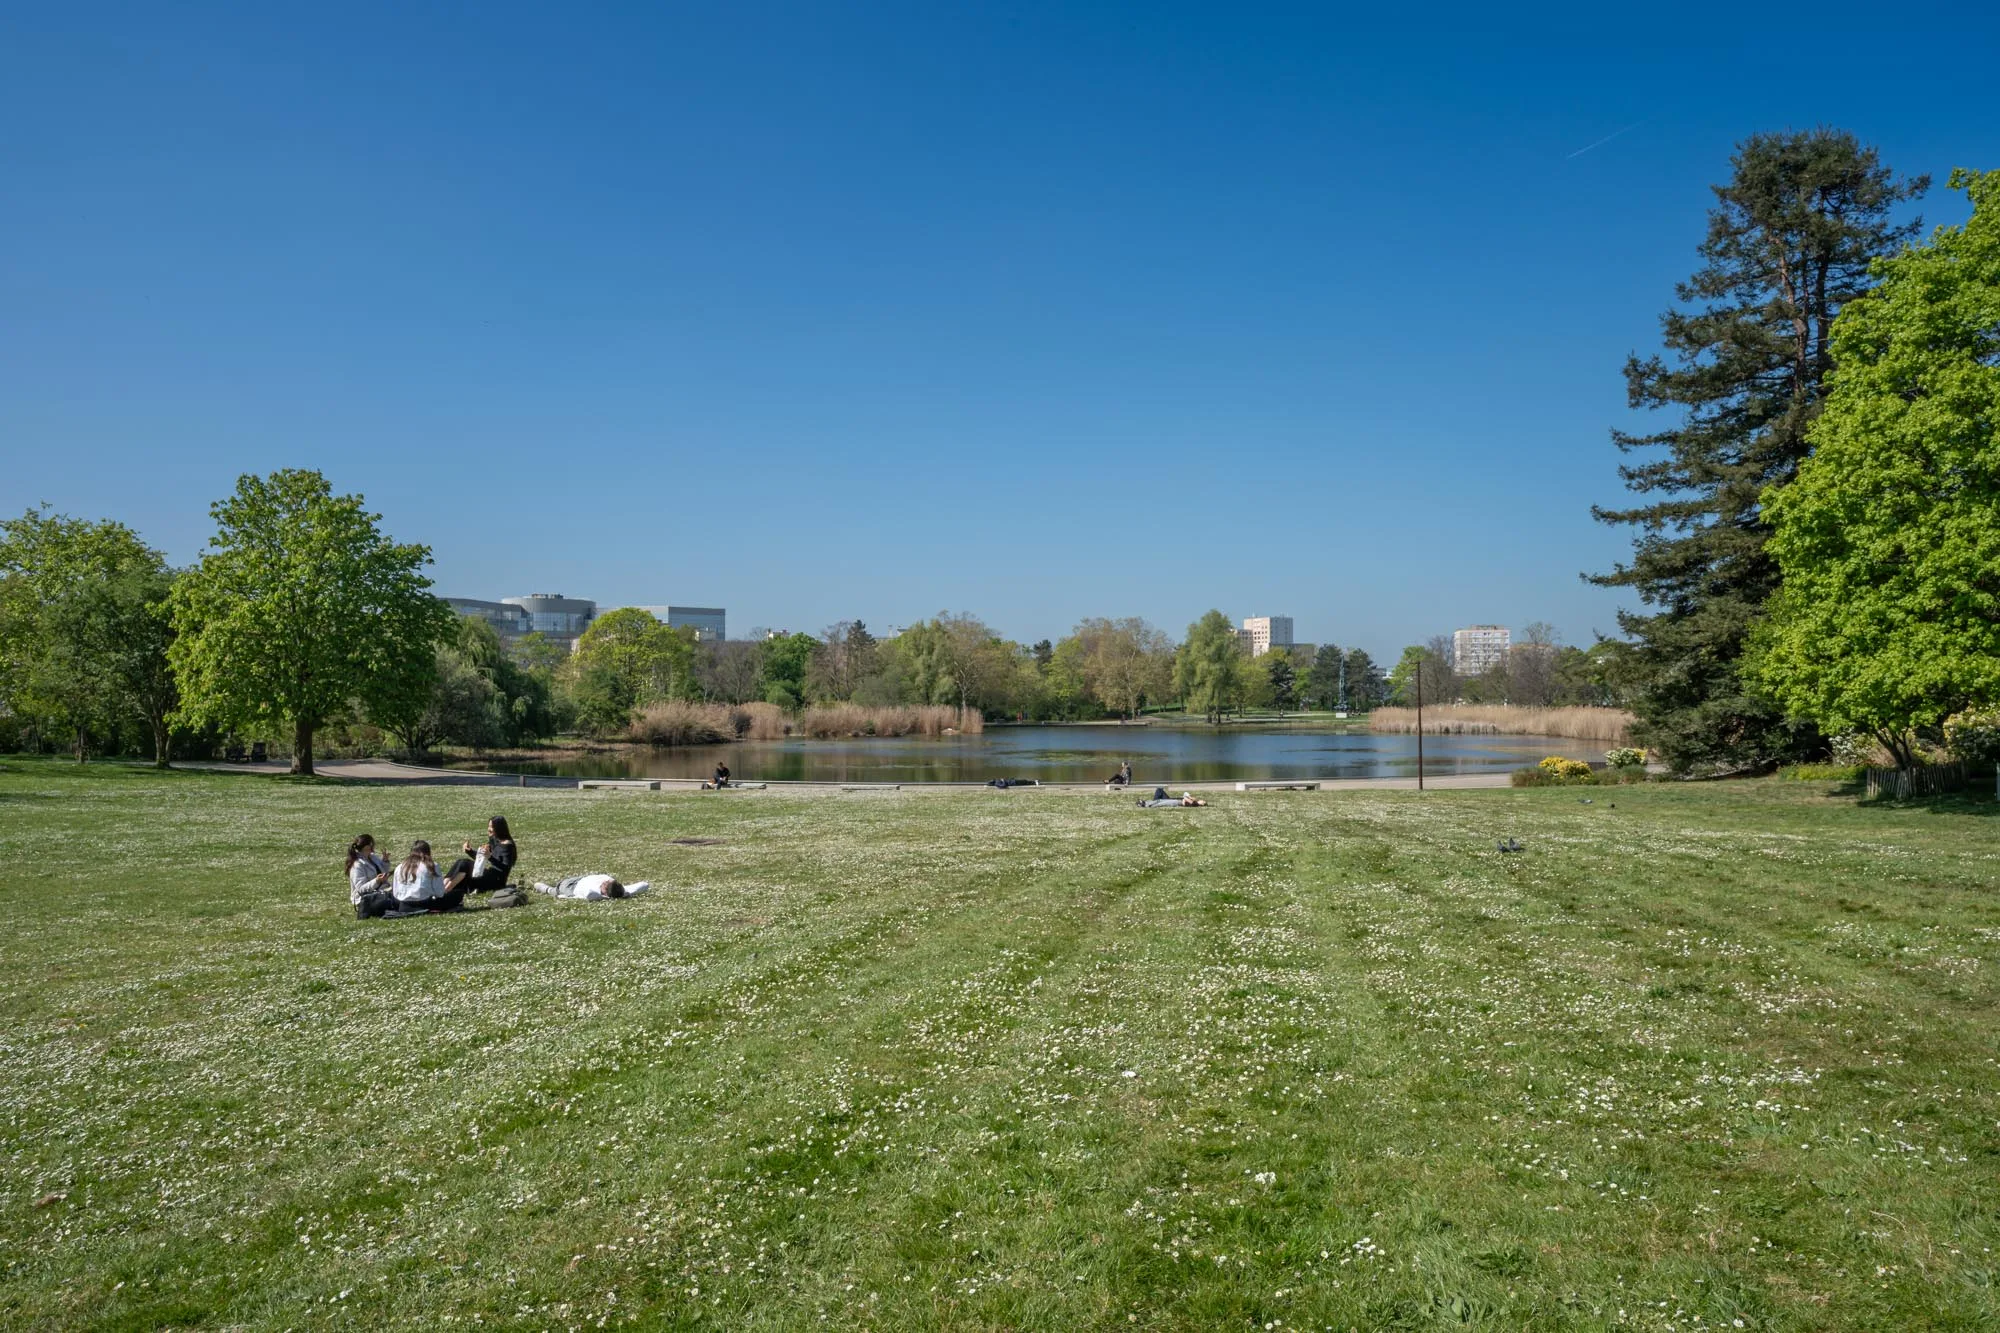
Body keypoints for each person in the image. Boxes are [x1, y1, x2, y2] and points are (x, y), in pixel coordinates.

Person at [442, 816, 517, 895]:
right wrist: (469, 851)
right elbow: (481, 858)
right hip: (489, 874)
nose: (489, 829)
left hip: (496, 881)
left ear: (499, 828)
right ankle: (442, 888)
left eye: (491, 827)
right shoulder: (494, 840)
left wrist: (490, 857)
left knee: (464, 864)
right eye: (489, 826)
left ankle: (444, 892)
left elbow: (505, 868)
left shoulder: (508, 845)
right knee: (461, 862)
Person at [392, 840, 464, 911]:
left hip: (404, 905)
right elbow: (440, 893)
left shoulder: (399, 867)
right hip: (425, 904)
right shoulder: (431, 866)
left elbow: (395, 893)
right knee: (458, 894)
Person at [347, 834, 395, 916]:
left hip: (382, 892)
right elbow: (361, 889)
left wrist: (385, 861)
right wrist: (376, 881)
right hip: (366, 899)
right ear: (367, 846)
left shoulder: (372, 857)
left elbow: (382, 871)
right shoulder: (357, 865)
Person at [535, 873, 652, 900]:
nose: (604, 882)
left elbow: (586, 896)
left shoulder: (593, 893)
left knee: (556, 890)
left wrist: (563, 897)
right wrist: (626, 893)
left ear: (605, 892)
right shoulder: (622, 890)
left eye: (604, 885)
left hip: (571, 887)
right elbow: (644, 885)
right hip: (580, 878)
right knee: (560, 883)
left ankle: (543, 888)